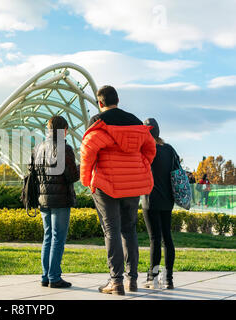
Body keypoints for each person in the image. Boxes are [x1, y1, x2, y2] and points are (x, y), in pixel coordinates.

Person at [80, 85, 156, 295]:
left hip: (106, 184)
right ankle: (132, 280)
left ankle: (116, 281)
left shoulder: (98, 121)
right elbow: (150, 148)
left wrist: (86, 179)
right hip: (132, 184)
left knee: (111, 230)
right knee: (129, 229)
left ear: (100, 102)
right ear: (118, 100)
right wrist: (140, 165)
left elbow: (88, 151)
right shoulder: (134, 121)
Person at [31, 115, 80, 288]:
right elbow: (72, 176)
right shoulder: (64, 149)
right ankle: (54, 277)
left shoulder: (38, 148)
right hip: (60, 199)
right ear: (64, 130)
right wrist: (80, 167)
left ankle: (45, 276)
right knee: (58, 238)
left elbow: (34, 173)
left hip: (43, 198)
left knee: (48, 237)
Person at [141, 118, 177, 290]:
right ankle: (168, 278)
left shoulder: (145, 149)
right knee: (167, 239)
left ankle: (153, 277)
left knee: (155, 239)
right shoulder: (169, 150)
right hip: (168, 201)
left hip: (150, 200)